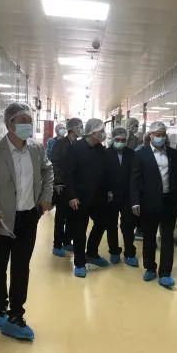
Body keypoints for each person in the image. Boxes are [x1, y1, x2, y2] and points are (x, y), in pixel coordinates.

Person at [0, 102, 53, 341]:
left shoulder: (36, 149)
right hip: (0, 220)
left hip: (28, 217)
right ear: (9, 124)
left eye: (30, 121)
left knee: (21, 267)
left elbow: (47, 171)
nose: (27, 125)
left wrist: (45, 197)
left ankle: (16, 315)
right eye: (22, 121)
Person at [131, 121, 177, 287]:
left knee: (167, 237)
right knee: (149, 236)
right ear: (151, 135)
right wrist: (135, 201)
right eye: (157, 135)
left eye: (163, 134)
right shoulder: (141, 154)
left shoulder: (172, 153)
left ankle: (165, 272)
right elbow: (135, 180)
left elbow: (176, 178)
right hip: (149, 201)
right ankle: (150, 268)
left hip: (169, 201)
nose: (160, 137)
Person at [64, 118, 112, 278]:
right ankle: (79, 263)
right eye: (101, 131)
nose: (103, 134)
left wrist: (109, 191)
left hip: (99, 197)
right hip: (80, 197)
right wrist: (71, 196)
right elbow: (68, 174)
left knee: (102, 222)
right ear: (92, 133)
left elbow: (105, 172)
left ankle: (91, 252)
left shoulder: (101, 149)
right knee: (80, 230)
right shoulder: (75, 148)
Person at [105, 127, 139, 267]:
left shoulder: (132, 154)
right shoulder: (106, 154)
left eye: (123, 140)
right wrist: (107, 191)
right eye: (118, 139)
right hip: (111, 196)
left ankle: (130, 253)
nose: (120, 142)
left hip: (127, 196)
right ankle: (114, 251)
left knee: (128, 225)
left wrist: (135, 198)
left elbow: (135, 176)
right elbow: (103, 175)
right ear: (113, 139)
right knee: (111, 225)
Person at [50, 118, 83, 257]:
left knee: (72, 215)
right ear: (72, 129)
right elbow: (55, 163)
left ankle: (67, 241)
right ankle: (57, 245)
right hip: (62, 185)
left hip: (73, 186)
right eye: (80, 127)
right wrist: (57, 182)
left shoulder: (77, 144)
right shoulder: (60, 144)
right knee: (61, 216)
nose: (82, 129)